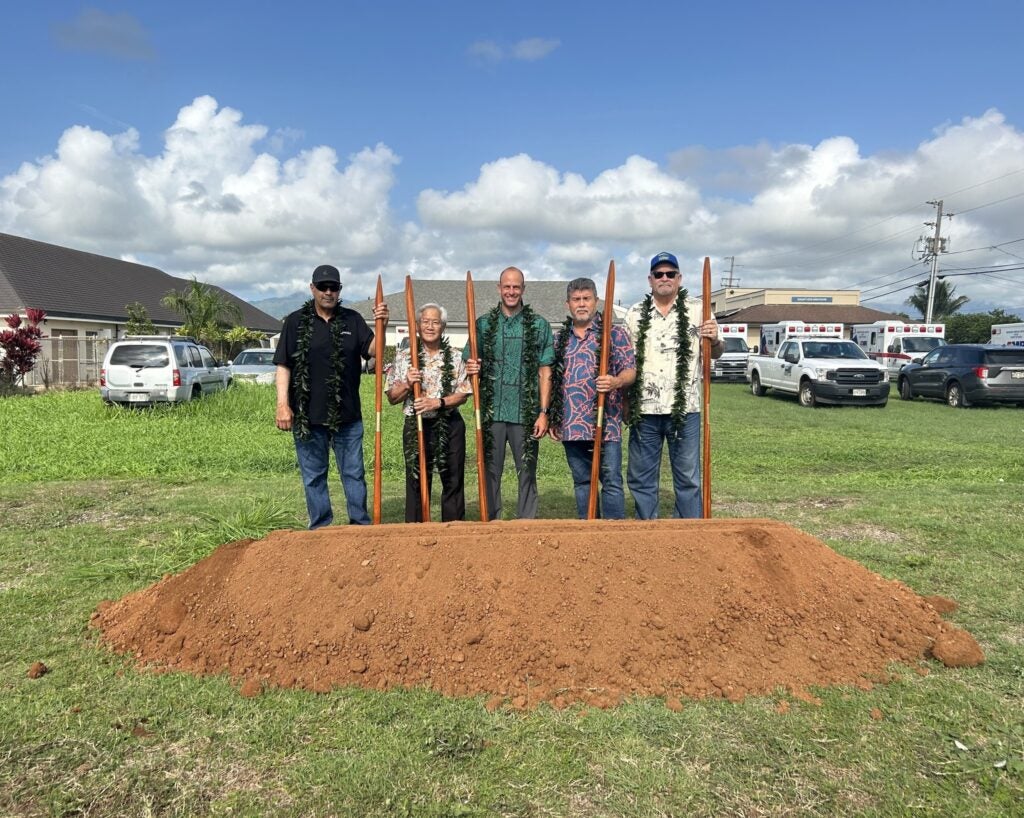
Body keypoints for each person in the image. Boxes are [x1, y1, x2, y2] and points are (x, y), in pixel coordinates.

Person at [274, 264, 388, 528]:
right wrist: (282, 405)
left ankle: (359, 525)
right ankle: (321, 529)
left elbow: (375, 352)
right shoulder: (295, 322)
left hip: (348, 417)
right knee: (314, 477)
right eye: (322, 287)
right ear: (312, 288)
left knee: (354, 474)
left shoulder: (352, 320)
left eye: (333, 287)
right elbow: (283, 365)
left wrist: (382, 324)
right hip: (307, 417)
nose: (328, 292)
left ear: (339, 290)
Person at [624, 251, 722, 519]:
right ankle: (648, 529)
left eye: (670, 274)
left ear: (679, 278)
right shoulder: (634, 314)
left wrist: (714, 340)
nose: (664, 278)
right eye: (659, 274)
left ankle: (690, 532)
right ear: (650, 279)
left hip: (686, 409)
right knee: (641, 476)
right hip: (644, 411)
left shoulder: (699, 310)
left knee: (688, 476)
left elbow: (716, 353)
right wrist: (623, 402)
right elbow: (625, 362)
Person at [464, 267, 555, 519]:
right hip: (492, 412)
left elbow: (545, 371)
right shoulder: (482, 325)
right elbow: (469, 363)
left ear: (523, 289)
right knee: (490, 470)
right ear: (499, 288)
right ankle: (491, 520)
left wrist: (543, 412)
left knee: (526, 470)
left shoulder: (539, 325)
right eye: (507, 286)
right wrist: (472, 366)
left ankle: (525, 523)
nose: (511, 291)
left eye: (516, 287)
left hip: (525, 413)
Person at [548, 277, 635, 519]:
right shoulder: (558, 340)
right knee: (582, 482)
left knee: (611, 480)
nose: (582, 304)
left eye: (586, 299)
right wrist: (553, 417)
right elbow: (552, 380)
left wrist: (616, 381)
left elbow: (630, 370)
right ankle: (589, 532)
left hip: (605, 424)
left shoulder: (614, 334)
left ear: (596, 301)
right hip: (571, 425)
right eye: (576, 300)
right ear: (568, 304)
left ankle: (613, 533)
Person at [387, 303, 472, 522]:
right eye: (425, 321)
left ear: (443, 327)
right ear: (417, 326)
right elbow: (392, 397)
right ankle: (416, 531)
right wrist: (407, 383)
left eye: (435, 322)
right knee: (416, 480)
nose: (430, 326)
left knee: (452, 479)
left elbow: (463, 393)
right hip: (416, 425)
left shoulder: (454, 357)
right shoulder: (404, 357)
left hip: (449, 424)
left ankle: (452, 531)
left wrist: (439, 402)